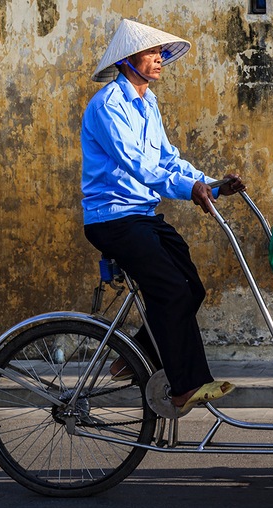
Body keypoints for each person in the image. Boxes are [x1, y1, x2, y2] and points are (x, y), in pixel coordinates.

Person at [81, 19, 246, 414]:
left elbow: (167, 159)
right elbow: (138, 164)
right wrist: (187, 190)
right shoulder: (108, 106)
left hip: (141, 214)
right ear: (127, 61)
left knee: (192, 288)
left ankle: (135, 353)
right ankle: (185, 386)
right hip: (111, 218)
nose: (159, 59)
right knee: (169, 289)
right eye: (151, 52)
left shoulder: (148, 102)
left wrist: (214, 183)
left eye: (160, 53)